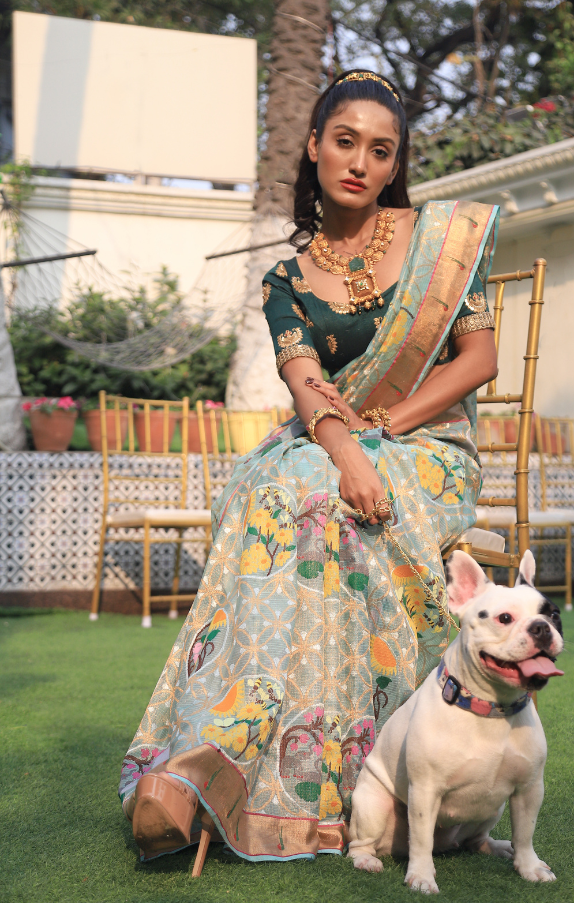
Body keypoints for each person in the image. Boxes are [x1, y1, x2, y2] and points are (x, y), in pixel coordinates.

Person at [120, 69, 500, 868]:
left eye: (380, 150)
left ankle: (314, 769)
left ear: (396, 165)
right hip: (334, 443)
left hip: (429, 448)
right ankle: (213, 754)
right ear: (314, 146)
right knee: (279, 490)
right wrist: (349, 447)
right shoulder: (286, 279)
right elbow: (304, 381)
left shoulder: (442, 242)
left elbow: (480, 359)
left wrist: (384, 426)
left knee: (311, 498)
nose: (360, 161)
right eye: (345, 141)